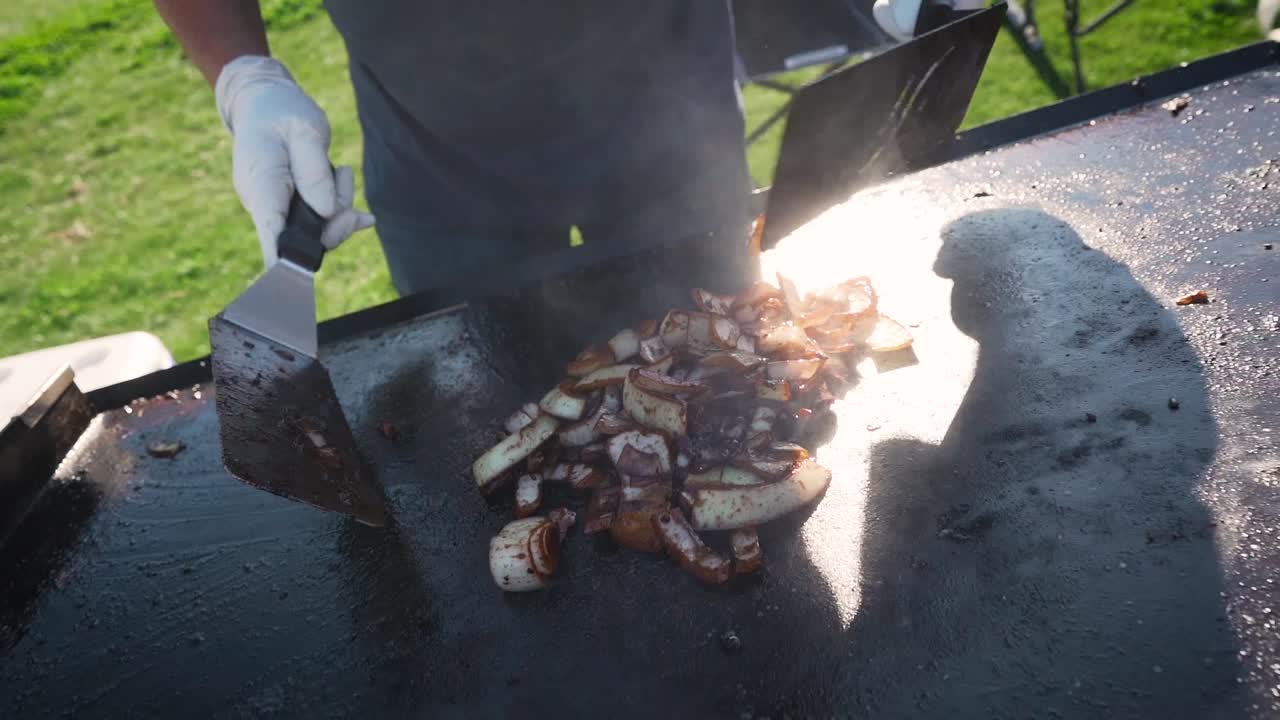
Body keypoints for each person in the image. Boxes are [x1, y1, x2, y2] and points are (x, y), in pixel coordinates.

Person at [155, 1, 753, 295]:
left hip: (670, 106)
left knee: (725, 368)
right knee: (479, 410)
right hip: (432, 148)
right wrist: (246, 78)